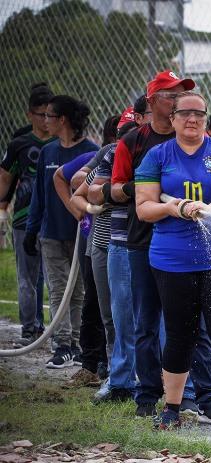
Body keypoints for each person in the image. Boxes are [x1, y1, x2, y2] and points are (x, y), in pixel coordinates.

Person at [134, 91, 211, 434]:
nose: (193, 120)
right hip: (172, 260)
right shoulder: (157, 156)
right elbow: (144, 207)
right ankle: (171, 408)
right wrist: (174, 208)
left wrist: (208, 210)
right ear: (171, 118)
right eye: (185, 113)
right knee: (180, 335)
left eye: (200, 114)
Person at [111, 70, 211, 422]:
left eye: (183, 94)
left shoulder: (200, 144)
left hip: (192, 244)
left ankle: (203, 396)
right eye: (170, 95)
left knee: (198, 326)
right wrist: (144, 190)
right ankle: (147, 395)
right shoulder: (132, 142)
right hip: (145, 242)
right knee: (146, 323)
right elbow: (114, 190)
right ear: (152, 103)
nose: (179, 101)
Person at [24, 95, 98, 368]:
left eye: (49, 116)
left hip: (80, 232)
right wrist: (32, 230)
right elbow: (39, 196)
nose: (45, 121)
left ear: (62, 119)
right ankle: (62, 344)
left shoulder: (91, 150)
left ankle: (77, 343)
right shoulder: (47, 152)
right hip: (51, 233)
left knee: (77, 291)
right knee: (57, 289)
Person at [69, 109, 138, 399]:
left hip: (135, 243)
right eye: (123, 131)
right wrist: (91, 208)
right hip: (102, 242)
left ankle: (142, 372)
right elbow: (76, 187)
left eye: (132, 129)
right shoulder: (110, 153)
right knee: (110, 314)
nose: (127, 136)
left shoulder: (153, 152)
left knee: (139, 314)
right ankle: (115, 371)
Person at [0, 84, 55, 347]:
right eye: (39, 114)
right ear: (29, 114)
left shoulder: (61, 143)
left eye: (49, 114)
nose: (45, 120)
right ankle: (29, 329)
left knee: (56, 278)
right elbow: (5, 178)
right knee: (27, 277)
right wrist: (3, 207)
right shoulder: (19, 144)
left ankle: (57, 332)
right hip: (24, 217)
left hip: (56, 219)